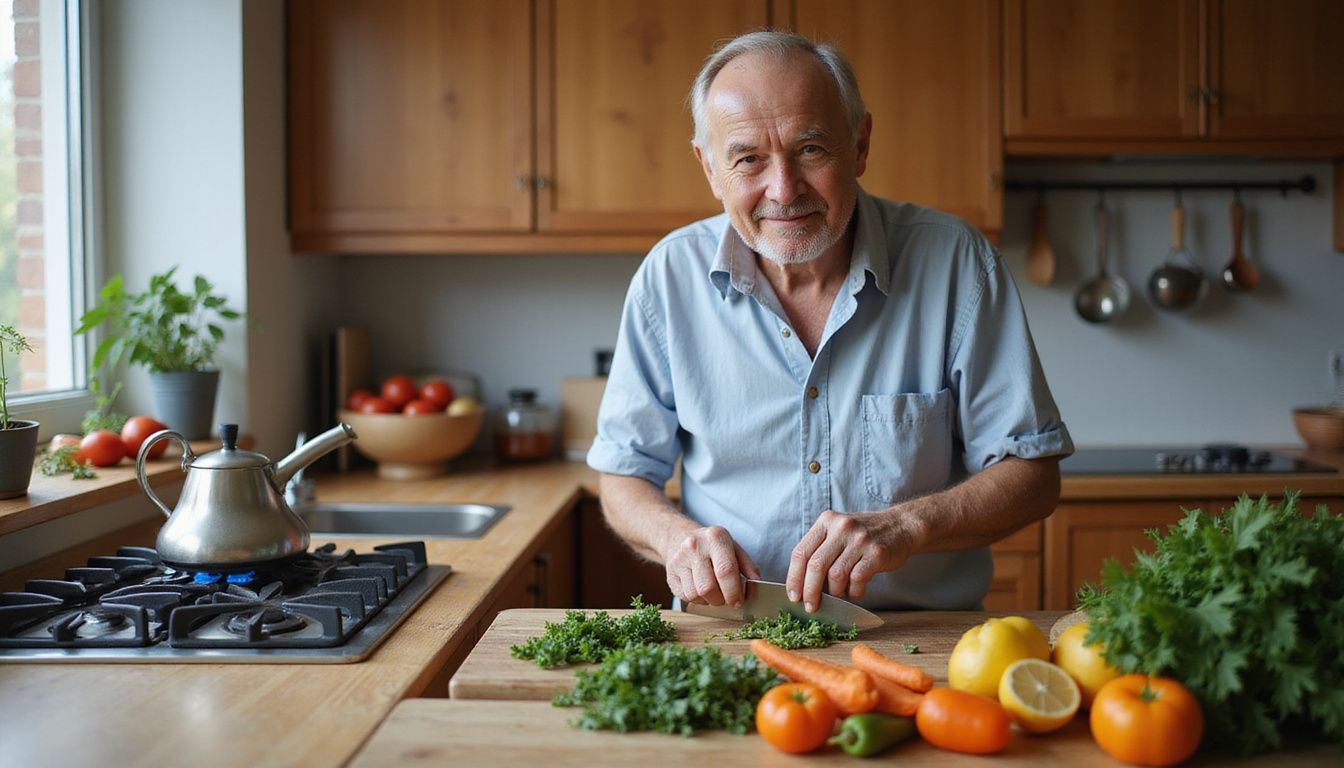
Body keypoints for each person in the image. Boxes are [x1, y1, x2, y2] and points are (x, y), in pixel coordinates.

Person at [587, 30, 1072, 614]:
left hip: (916, 639)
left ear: (860, 144)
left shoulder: (957, 264)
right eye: (748, 160)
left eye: (811, 150)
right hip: (731, 636)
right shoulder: (668, 279)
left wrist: (908, 525)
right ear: (711, 169)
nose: (784, 190)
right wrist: (676, 541)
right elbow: (622, 476)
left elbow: (1032, 473)